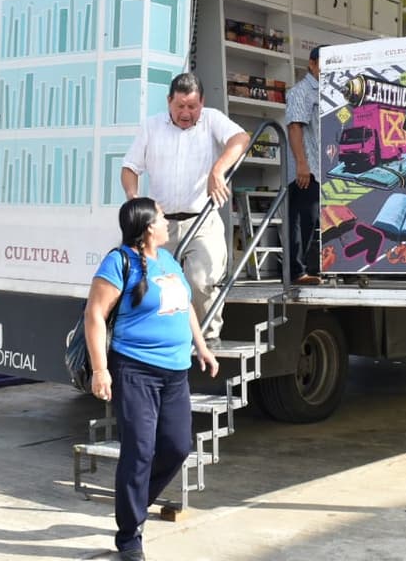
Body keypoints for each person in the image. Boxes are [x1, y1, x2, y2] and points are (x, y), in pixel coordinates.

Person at [84, 197, 219, 561]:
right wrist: (101, 369)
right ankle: (129, 536)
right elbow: (95, 314)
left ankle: (135, 503)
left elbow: (186, 304)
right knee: (139, 451)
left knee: (176, 447)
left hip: (175, 373)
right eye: (161, 218)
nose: (166, 223)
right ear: (147, 228)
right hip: (136, 371)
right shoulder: (119, 262)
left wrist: (201, 346)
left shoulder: (169, 260)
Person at [121, 73, 250, 348]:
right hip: (160, 225)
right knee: (152, 284)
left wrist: (218, 169)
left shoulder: (212, 119)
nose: (186, 112)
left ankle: (208, 338)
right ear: (169, 101)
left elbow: (241, 138)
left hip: (201, 219)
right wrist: (133, 199)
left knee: (201, 281)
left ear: (201, 102)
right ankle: (159, 340)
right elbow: (130, 167)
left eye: (192, 106)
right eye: (180, 106)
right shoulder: (151, 126)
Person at [284, 45, 324, 285]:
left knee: (316, 218)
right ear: (312, 64)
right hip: (307, 166)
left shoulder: (329, 92)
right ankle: (297, 271)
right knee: (302, 218)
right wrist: (302, 164)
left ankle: (312, 268)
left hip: (323, 167)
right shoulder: (301, 91)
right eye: (324, 63)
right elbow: (295, 127)